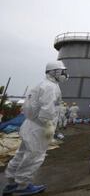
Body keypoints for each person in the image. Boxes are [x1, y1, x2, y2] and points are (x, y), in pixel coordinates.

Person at [3, 61, 68, 195]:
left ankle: (11, 182)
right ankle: (23, 185)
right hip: (40, 127)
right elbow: (47, 111)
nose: (65, 74)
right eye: (63, 71)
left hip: (30, 124)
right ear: (54, 72)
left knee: (21, 154)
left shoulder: (41, 84)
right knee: (35, 156)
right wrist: (50, 129)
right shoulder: (51, 87)